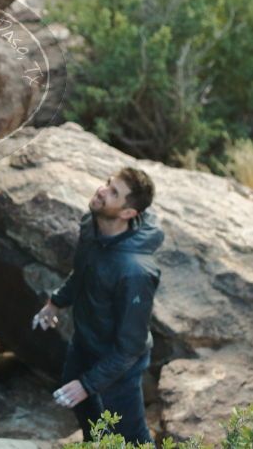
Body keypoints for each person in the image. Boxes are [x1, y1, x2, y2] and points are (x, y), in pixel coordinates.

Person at [32, 168, 163, 443]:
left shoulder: (134, 271)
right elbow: (84, 273)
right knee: (86, 410)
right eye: (107, 184)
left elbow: (131, 347)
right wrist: (55, 303)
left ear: (128, 213)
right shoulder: (91, 224)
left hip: (119, 362)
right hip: (85, 343)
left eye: (114, 192)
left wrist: (88, 385)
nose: (102, 191)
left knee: (131, 435)